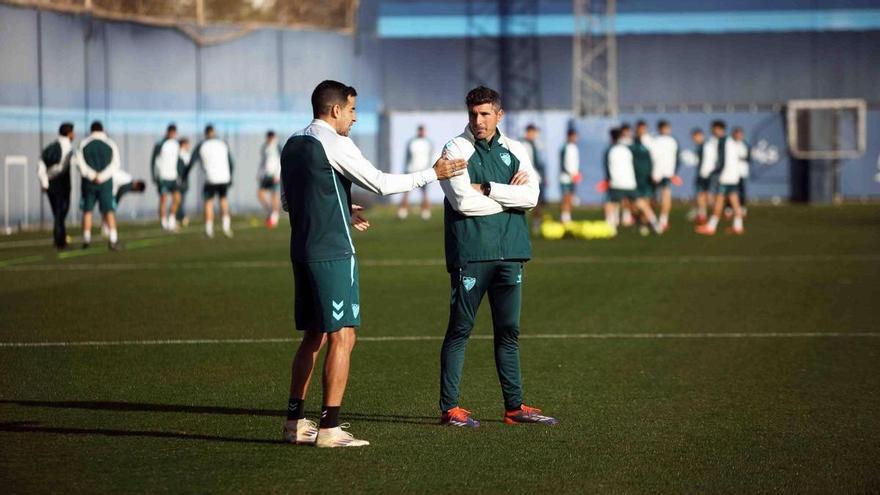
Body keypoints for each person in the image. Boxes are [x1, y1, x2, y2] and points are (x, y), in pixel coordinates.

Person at [279, 80, 467, 448]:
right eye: (351, 110)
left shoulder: (292, 144)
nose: (354, 118)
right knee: (343, 335)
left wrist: (341, 208)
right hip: (332, 252)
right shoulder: (334, 142)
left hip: (301, 249)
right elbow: (380, 184)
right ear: (334, 110)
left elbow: (292, 200)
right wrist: (435, 173)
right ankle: (329, 428)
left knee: (313, 337)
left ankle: (294, 422)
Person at [437, 85, 558, 429]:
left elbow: (532, 197)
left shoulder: (514, 148)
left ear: (499, 115)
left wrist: (489, 188)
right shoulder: (455, 148)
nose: (478, 120)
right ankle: (450, 409)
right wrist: (510, 196)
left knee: (509, 332)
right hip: (473, 253)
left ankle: (514, 407)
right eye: (473, 114)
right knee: (460, 330)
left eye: (485, 114)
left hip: (511, 253)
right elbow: (462, 201)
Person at [76, 121, 120, 250]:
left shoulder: (83, 143)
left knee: (87, 210)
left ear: (91, 130)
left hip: (88, 183)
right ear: (102, 130)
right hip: (105, 183)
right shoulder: (110, 143)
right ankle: (113, 239)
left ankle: (86, 239)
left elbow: (80, 163)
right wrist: (102, 176)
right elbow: (115, 164)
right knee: (109, 210)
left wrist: (92, 175)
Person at [696, 120, 744, 235]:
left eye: (713, 129)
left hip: (725, 176)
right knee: (734, 201)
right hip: (733, 176)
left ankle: (711, 227)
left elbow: (722, 160)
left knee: (719, 200)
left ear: (718, 129)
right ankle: (738, 226)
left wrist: (714, 172)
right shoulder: (731, 141)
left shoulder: (722, 142)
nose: (712, 131)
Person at [190, 124, 234, 238]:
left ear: (205, 133)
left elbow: (192, 161)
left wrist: (184, 175)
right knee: (223, 200)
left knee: (209, 203)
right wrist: (230, 176)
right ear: (214, 132)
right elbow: (231, 162)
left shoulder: (202, 144)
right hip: (224, 177)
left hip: (211, 178)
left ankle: (209, 230)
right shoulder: (222, 143)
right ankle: (226, 227)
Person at [37, 122, 75, 250]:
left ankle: (60, 239)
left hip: (50, 185)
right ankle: (60, 242)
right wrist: (50, 176)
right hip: (61, 184)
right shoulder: (67, 147)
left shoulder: (50, 147)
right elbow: (61, 167)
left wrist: (45, 181)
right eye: (72, 132)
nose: (74, 135)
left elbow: (41, 163)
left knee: (58, 214)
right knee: (60, 213)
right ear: (69, 133)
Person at [602, 127, 637, 229]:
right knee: (634, 202)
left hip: (616, 182)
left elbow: (608, 166)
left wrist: (608, 179)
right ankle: (652, 221)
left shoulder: (611, 150)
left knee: (609, 202)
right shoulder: (628, 148)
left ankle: (610, 223)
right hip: (629, 181)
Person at [631, 120, 662, 234]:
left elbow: (657, 159)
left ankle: (646, 223)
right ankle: (650, 221)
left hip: (648, 177)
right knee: (636, 202)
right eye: (639, 129)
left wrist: (656, 174)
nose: (640, 131)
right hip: (635, 178)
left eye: (643, 129)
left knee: (647, 201)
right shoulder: (632, 142)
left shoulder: (650, 142)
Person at [397, 125, 434, 221]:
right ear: (418, 131)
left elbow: (430, 158)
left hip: (423, 171)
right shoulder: (411, 142)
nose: (421, 132)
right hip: (411, 170)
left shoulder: (428, 143)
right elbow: (407, 157)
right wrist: (405, 169)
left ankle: (425, 212)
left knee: (424, 193)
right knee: (406, 192)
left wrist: (429, 171)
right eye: (420, 131)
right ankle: (403, 212)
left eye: (423, 131)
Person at [650, 120, 681, 232]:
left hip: (666, 173)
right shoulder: (655, 141)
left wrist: (673, 173)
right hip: (658, 173)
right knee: (655, 197)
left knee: (665, 195)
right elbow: (653, 158)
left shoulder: (671, 141)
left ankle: (662, 220)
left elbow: (677, 158)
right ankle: (654, 219)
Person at [152, 124, 182, 232]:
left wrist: (179, 174)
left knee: (177, 198)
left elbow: (178, 160)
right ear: (168, 132)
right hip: (163, 177)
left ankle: (172, 220)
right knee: (163, 200)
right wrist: (155, 176)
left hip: (173, 177)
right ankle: (163, 223)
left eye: (174, 133)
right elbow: (153, 161)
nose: (173, 135)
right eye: (171, 132)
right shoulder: (160, 144)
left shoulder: (176, 144)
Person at [521, 123, 546, 234]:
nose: (536, 134)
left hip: (536, 177)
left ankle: (536, 226)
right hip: (528, 178)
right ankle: (523, 226)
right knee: (524, 203)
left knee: (537, 203)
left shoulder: (535, 144)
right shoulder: (523, 144)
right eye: (534, 132)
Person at [257, 130, 283, 228]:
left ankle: (274, 217)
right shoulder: (265, 147)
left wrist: (277, 175)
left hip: (275, 175)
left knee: (274, 196)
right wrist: (259, 173)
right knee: (260, 194)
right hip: (265, 175)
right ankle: (270, 211)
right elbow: (263, 162)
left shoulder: (277, 147)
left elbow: (281, 161)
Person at [559, 128, 580, 224]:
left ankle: (568, 216)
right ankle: (564, 216)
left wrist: (576, 174)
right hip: (565, 177)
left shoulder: (575, 147)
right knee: (566, 197)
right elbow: (564, 163)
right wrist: (570, 174)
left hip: (573, 177)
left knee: (571, 198)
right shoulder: (565, 147)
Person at [732, 127, 750, 218]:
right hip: (731, 172)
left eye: (740, 134)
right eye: (737, 134)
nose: (739, 136)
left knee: (741, 191)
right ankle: (729, 208)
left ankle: (742, 208)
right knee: (731, 191)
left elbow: (748, 157)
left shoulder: (745, 144)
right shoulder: (730, 144)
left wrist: (742, 158)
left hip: (742, 172)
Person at [176, 138, 192, 226]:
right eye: (187, 144)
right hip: (181, 180)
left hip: (184, 180)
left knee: (180, 200)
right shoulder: (180, 154)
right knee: (179, 200)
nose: (189, 146)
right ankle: (181, 217)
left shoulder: (185, 154)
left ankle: (179, 217)